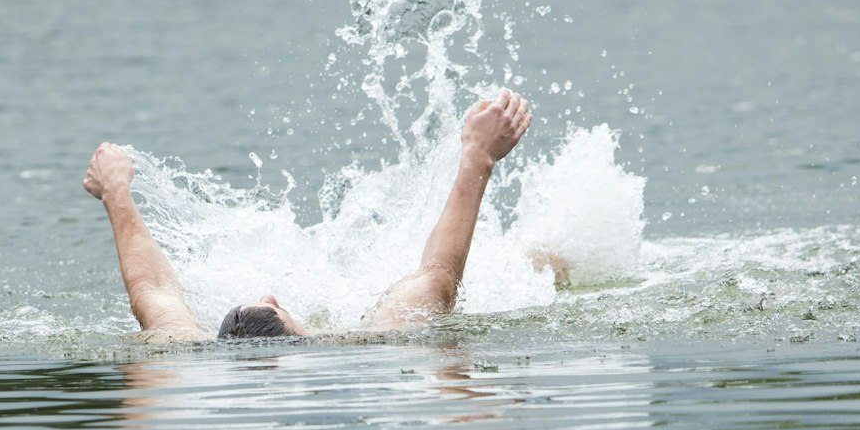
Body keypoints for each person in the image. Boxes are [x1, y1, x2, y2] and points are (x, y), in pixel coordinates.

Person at [82, 89, 533, 340]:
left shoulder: (187, 344)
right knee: (535, 261)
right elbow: (438, 278)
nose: (269, 293)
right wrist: (478, 155)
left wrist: (116, 193)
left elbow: (152, 288)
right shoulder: (369, 339)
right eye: (270, 301)